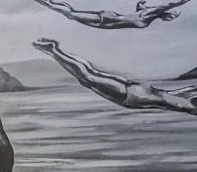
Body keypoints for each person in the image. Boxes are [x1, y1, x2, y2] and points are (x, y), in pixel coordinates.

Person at [32, 38, 197, 115]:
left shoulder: (189, 93)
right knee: (87, 78)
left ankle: (53, 50)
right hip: (133, 97)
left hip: (142, 90)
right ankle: (53, 50)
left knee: (90, 75)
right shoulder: (191, 105)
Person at [33, 0, 197, 29]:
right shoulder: (152, 13)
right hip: (107, 20)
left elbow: (138, 11)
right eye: (172, 16)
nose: (170, 18)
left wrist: (140, 5)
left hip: (107, 20)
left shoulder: (148, 15)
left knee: (72, 15)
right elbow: (176, 2)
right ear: (167, 13)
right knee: (71, 15)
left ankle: (51, 2)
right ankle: (47, 2)